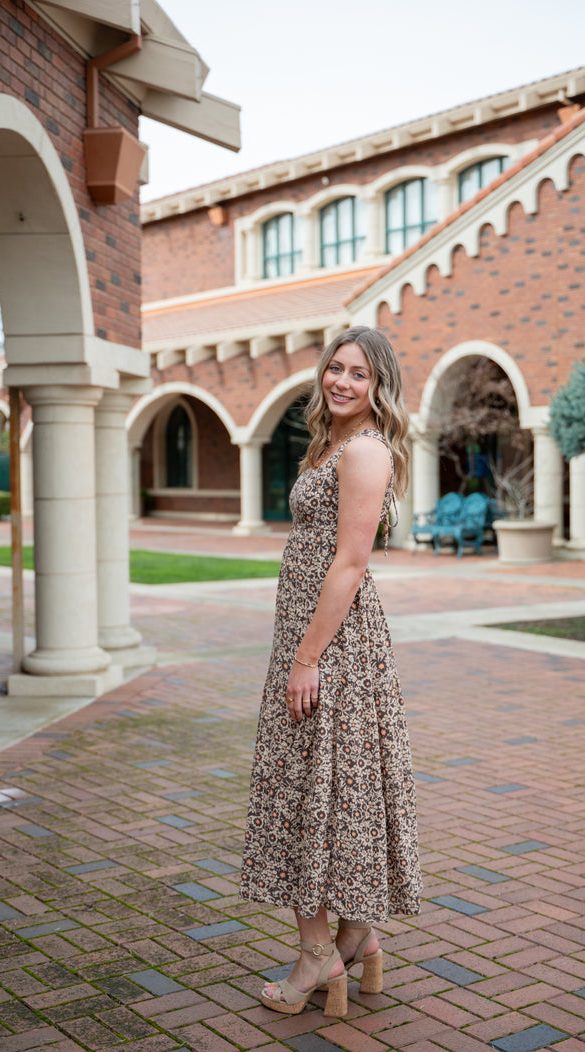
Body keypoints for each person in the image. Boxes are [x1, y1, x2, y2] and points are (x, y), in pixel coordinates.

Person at [239, 325, 422, 1018]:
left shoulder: (367, 449)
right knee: (320, 787)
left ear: (380, 387)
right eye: (335, 369)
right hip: (314, 636)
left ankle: (319, 953)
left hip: (333, 648)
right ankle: (359, 939)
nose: (341, 382)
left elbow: (352, 560)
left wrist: (308, 656)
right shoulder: (335, 444)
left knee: (308, 790)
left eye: (359, 374)